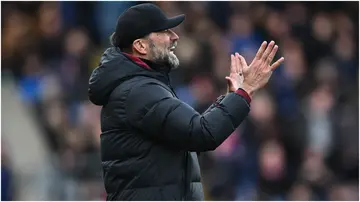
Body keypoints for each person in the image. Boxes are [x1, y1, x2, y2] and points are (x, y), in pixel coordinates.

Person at [88, 3, 284, 201]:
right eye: (164, 32)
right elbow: (202, 133)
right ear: (140, 46)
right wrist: (245, 91)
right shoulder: (139, 91)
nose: (175, 36)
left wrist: (230, 98)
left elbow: (187, 136)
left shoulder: (139, 87)